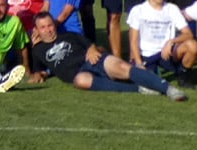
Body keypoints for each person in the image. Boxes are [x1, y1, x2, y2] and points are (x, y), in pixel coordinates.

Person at [24, 11, 188, 99]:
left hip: (93, 60)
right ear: (37, 30)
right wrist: (39, 74)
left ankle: (167, 88)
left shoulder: (68, 35)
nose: (48, 29)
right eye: (43, 27)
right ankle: (139, 89)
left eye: (50, 25)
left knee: (121, 66)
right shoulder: (38, 50)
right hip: (79, 74)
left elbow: (90, 44)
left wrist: (92, 48)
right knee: (81, 81)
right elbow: (40, 70)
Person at [125, 0, 197, 82]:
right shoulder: (138, 10)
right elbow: (133, 41)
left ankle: (183, 75)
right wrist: (138, 63)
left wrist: (171, 42)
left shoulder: (172, 9)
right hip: (146, 54)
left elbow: (188, 34)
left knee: (193, 45)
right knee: (148, 81)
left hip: (167, 52)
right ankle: (148, 69)